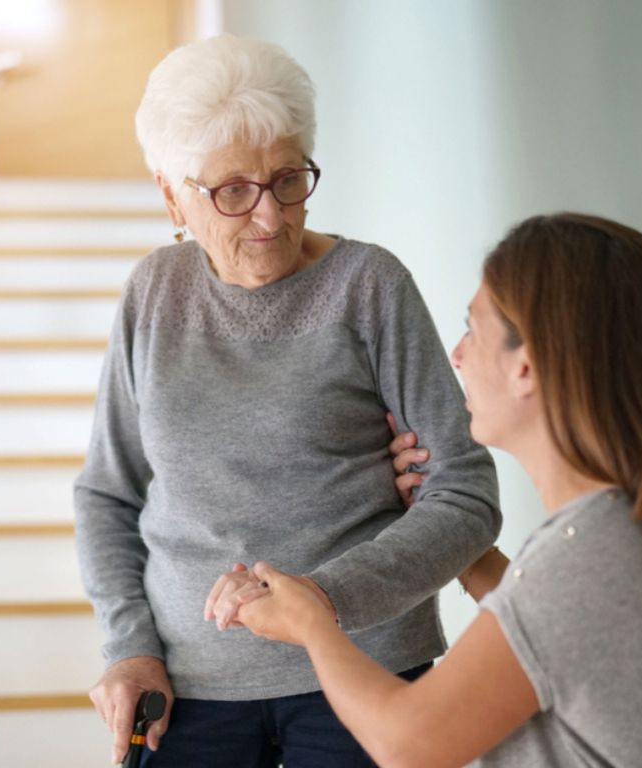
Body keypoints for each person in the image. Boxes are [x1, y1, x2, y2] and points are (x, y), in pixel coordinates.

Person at [73, 34, 501, 766]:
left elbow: (465, 494)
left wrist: (318, 603)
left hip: (364, 668)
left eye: (289, 179)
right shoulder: (154, 293)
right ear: (171, 193)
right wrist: (129, 649)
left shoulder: (369, 286)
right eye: (232, 192)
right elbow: (107, 495)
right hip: (189, 684)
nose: (270, 218)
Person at [234, 213, 642, 767]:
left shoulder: (590, 560)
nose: (457, 354)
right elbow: (555, 641)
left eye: (473, 329)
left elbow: (407, 743)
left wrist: (312, 621)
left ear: (526, 366)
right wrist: (468, 552)